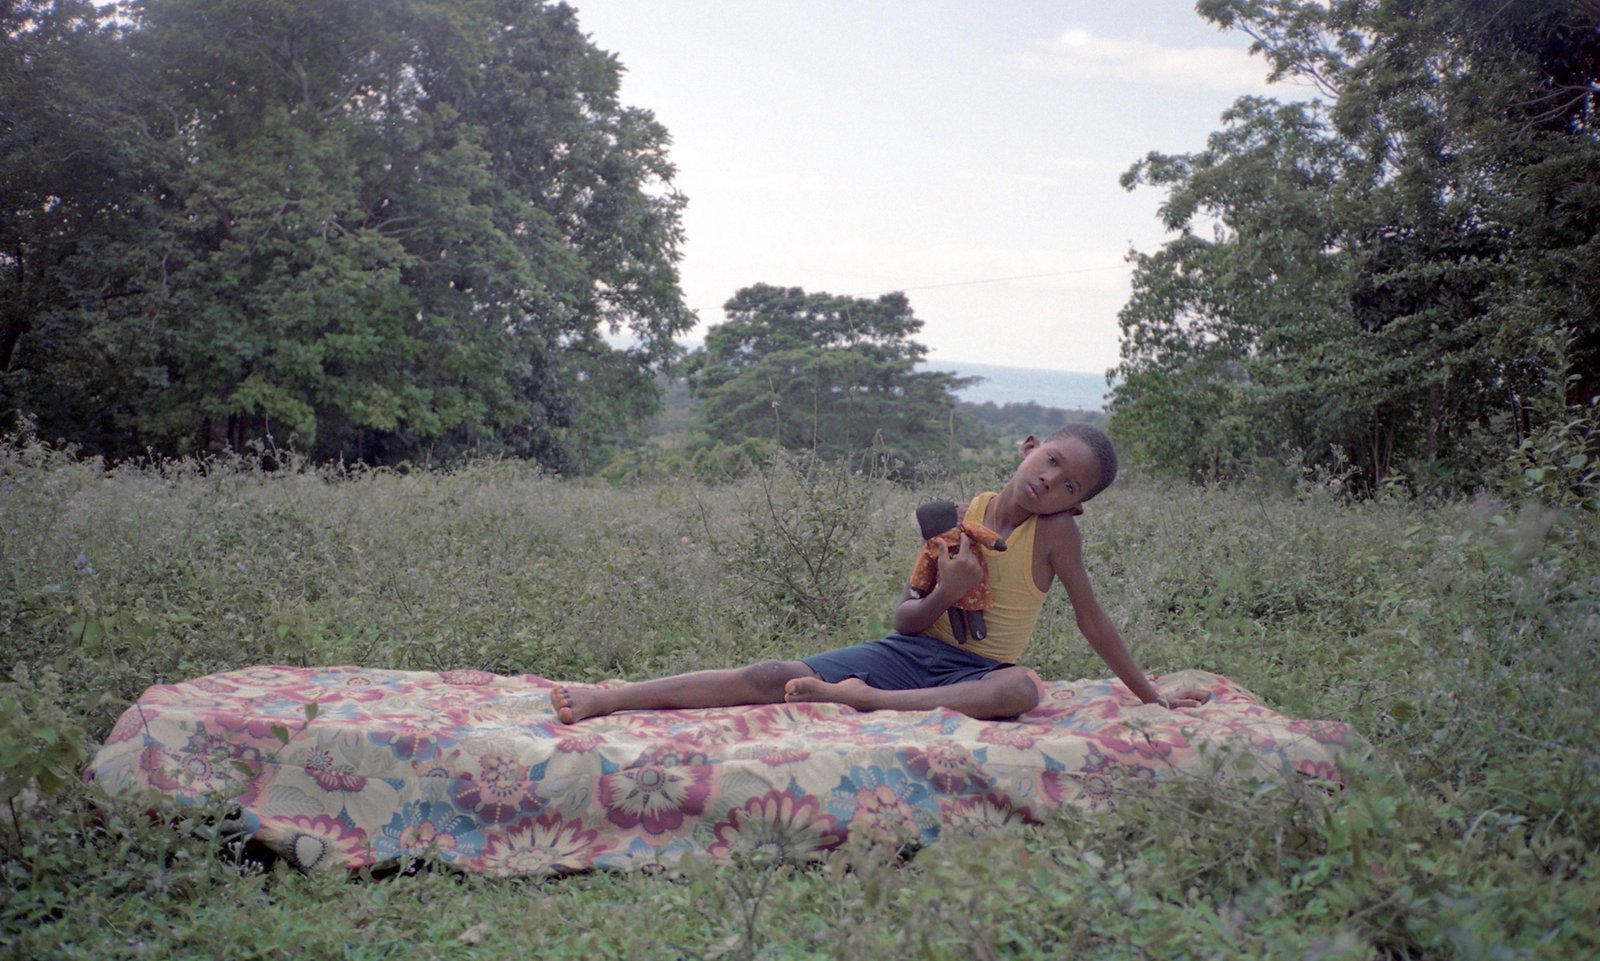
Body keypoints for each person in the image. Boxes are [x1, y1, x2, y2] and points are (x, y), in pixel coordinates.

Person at [551, 424, 1210, 724]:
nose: (1051, 481)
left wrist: (1150, 695)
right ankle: (611, 698)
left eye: (1070, 485)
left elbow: (1093, 621)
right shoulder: (961, 513)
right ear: (1030, 446)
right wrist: (948, 592)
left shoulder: (1056, 534)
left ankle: (863, 700)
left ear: (1076, 504)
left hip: (975, 673)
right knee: (771, 674)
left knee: (1021, 690)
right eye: (1053, 461)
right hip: (906, 653)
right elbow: (906, 618)